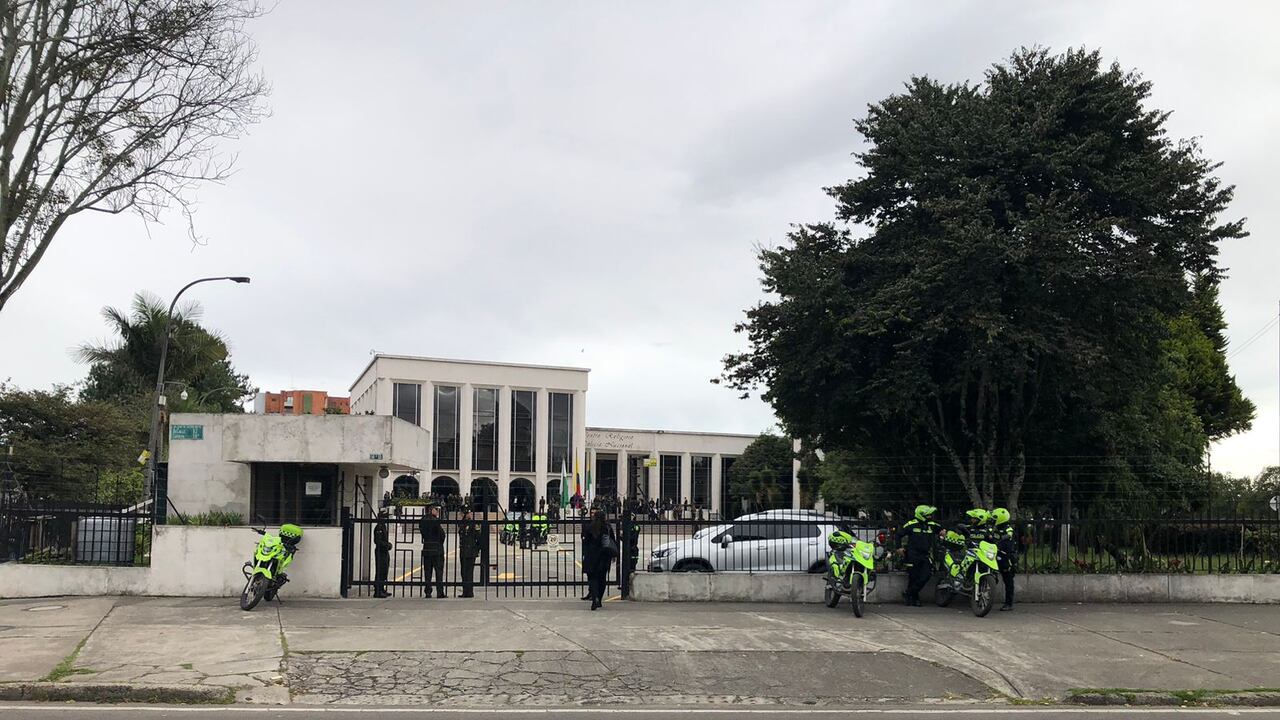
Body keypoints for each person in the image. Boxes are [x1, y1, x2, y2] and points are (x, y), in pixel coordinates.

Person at [895, 504, 939, 606]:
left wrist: (943, 532)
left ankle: (909, 593)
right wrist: (898, 548)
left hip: (925, 555)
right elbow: (898, 535)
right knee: (913, 576)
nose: (929, 517)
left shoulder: (931, 524)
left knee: (926, 576)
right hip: (912, 554)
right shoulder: (911, 524)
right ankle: (914, 598)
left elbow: (942, 530)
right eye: (927, 515)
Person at [581, 509, 616, 610]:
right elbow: (612, 541)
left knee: (592, 578)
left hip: (592, 555)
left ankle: (595, 598)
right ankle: (599, 599)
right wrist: (613, 555)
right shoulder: (607, 528)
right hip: (604, 556)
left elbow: (585, 541)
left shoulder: (589, 527)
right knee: (602, 578)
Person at [419, 504, 446, 598]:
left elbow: (422, 532)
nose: (437, 512)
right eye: (436, 510)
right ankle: (440, 592)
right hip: (437, 548)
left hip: (427, 548)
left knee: (427, 572)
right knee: (439, 572)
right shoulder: (435, 521)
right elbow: (442, 534)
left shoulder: (422, 520)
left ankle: (428, 591)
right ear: (431, 510)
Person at [992, 507, 1016, 611]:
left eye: (995, 518)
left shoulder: (1008, 528)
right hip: (994, 555)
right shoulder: (994, 528)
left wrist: (1005, 536)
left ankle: (1008, 603)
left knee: (1008, 581)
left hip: (1006, 557)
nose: (993, 520)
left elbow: (1010, 533)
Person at [457, 506, 482, 598]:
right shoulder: (462, 524)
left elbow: (479, 539)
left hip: (470, 551)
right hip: (463, 550)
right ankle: (465, 591)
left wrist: (477, 550)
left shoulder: (473, 524)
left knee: (469, 572)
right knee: (463, 572)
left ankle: (469, 592)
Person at [373, 509, 392, 598]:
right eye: (385, 517)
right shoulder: (379, 527)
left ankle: (382, 588)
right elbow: (377, 541)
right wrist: (387, 545)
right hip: (380, 551)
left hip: (384, 552)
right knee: (380, 570)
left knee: (384, 570)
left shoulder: (383, 526)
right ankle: (378, 590)